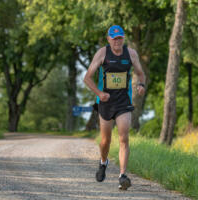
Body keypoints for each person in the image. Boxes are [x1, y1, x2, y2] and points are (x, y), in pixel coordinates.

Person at [83, 25, 146, 190]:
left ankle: (123, 175)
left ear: (123, 38)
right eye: (114, 38)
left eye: (120, 38)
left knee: (124, 137)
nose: (117, 41)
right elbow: (87, 78)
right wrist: (99, 93)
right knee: (105, 141)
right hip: (105, 101)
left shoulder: (131, 54)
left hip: (123, 101)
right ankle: (103, 162)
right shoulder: (102, 53)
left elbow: (140, 73)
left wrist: (141, 84)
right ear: (108, 39)